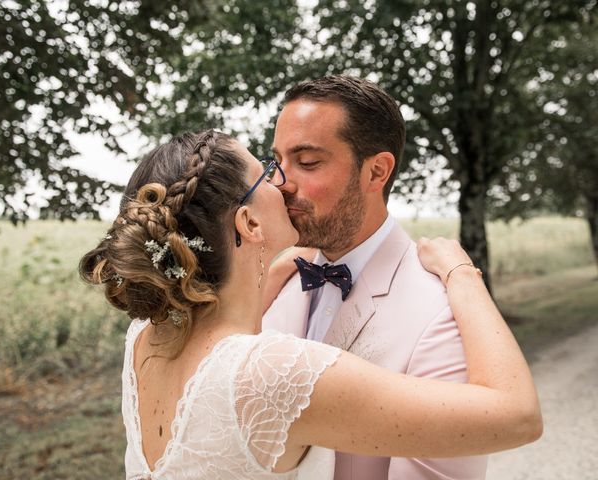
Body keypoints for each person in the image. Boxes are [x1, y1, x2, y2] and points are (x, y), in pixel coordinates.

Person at [79, 130, 541, 480]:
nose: (282, 183)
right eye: (267, 170)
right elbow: (516, 415)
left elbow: (214, 327)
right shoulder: (274, 371)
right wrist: (463, 274)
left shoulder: (144, 337)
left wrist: (272, 264)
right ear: (249, 222)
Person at [262, 75, 487, 479]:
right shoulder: (273, 283)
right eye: (276, 161)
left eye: (308, 162)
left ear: (376, 172)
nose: (280, 182)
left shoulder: (439, 313)